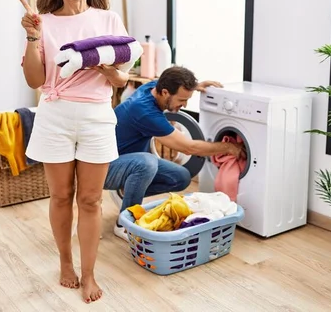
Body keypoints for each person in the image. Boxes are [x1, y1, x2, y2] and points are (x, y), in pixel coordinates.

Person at [18, 0, 132, 304]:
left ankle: (89, 273)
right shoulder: (44, 22)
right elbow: (35, 81)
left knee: (90, 199)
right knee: (61, 196)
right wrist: (33, 36)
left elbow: (121, 81)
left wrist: (107, 68)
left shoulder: (108, 19)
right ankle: (65, 263)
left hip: (97, 117)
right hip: (55, 115)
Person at [103, 66, 245, 239]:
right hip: (103, 168)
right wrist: (229, 148)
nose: (184, 105)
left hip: (125, 160)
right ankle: (124, 224)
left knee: (181, 176)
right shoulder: (143, 111)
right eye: (182, 100)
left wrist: (196, 86)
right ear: (165, 92)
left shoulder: (153, 88)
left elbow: (171, 80)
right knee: (147, 162)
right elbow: (189, 147)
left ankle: (128, 190)